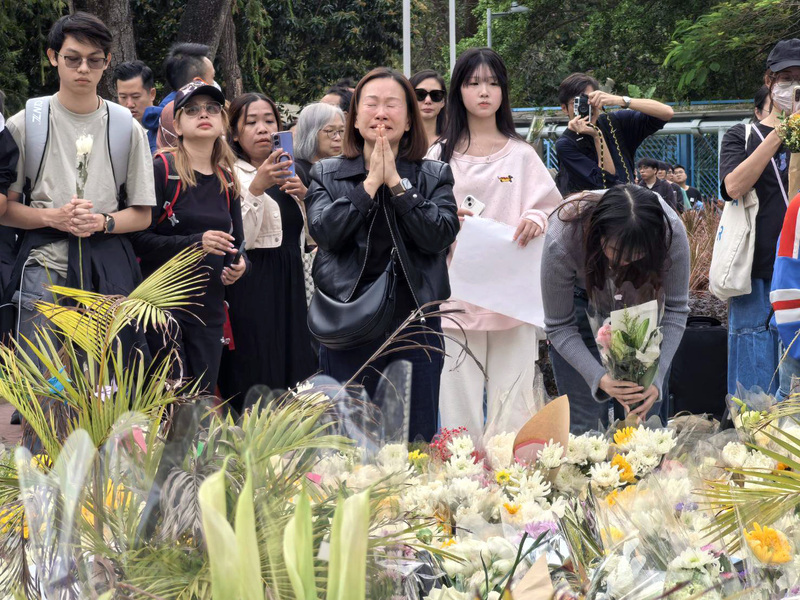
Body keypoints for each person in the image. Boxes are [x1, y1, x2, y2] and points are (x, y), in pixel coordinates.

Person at [306, 67, 459, 442]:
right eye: (371, 104)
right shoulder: (326, 172)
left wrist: (396, 184)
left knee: (416, 442)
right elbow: (325, 233)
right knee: (349, 442)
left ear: (408, 121)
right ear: (355, 119)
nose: (381, 113)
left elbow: (439, 235)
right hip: (347, 323)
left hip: (415, 325)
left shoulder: (434, 174)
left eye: (392, 104)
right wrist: (370, 183)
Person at [428, 48, 563, 439]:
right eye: (473, 83)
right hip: (455, 298)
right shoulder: (438, 154)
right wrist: (444, 221)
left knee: (515, 405)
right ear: (458, 91)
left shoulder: (522, 155)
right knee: (458, 407)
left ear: (504, 90)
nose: (484, 92)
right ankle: (461, 472)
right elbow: (422, 220)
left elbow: (553, 210)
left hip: (511, 299)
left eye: (492, 83)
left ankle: (514, 474)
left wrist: (536, 218)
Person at [1, 11, 154, 349]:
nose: (83, 68)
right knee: (42, 374)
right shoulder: (25, 124)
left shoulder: (126, 127)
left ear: (107, 62)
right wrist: (52, 217)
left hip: (107, 269)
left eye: (94, 60)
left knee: (107, 373)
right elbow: (6, 209)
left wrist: (102, 221)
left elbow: (143, 213)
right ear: (53, 57)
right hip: (43, 268)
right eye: (73, 58)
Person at [543, 185, 690, 433]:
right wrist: (598, 377)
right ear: (597, 233)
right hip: (581, 303)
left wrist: (657, 375)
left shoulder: (670, 231)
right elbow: (559, 325)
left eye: (637, 254)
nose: (624, 262)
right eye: (615, 251)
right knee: (586, 428)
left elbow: (676, 309)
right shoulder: (563, 236)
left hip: (642, 306)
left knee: (646, 426)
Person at [131, 79, 246, 394]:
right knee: (165, 402)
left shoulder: (227, 178)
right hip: (161, 308)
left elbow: (238, 244)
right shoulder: (162, 169)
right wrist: (197, 243)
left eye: (211, 108)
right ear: (177, 125)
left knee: (199, 403)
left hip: (208, 309)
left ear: (222, 122)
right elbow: (137, 239)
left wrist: (239, 266)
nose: (203, 114)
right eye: (192, 110)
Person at [217, 92, 316, 412]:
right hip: (252, 282)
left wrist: (307, 196)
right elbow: (239, 239)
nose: (262, 129)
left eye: (269, 120)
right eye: (251, 122)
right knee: (257, 368)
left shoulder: (294, 170)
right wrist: (257, 188)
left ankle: (294, 439)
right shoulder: (228, 173)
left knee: (295, 369)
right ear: (234, 133)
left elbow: (313, 239)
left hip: (291, 281)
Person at [720, 38, 799, 395]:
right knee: (753, 389)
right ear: (769, 81)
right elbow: (733, 186)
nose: (794, 86)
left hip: (796, 274)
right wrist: (783, 130)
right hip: (756, 276)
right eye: (787, 77)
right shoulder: (742, 135)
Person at [554, 72, 673, 194]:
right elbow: (606, 181)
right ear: (564, 108)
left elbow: (666, 113)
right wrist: (597, 136)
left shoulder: (615, 122)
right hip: (594, 204)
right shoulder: (566, 144)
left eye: (590, 100)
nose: (586, 107)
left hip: (629, 202)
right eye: (578, 102)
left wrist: (620, 100)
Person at [142, 43, 215, 153]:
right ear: (197, 82)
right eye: (212, 78)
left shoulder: (162, 116)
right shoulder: (169, 123)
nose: (214, 84)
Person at [293, 101, 346, 187]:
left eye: (341, 131)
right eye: (330, 131)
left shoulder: (345, 169)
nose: (338, 138)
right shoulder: (295, 172)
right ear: (310, 133)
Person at [409, 70, 447, 148]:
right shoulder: (397, 141)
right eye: (420, 94)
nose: (428, 100)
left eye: (435, 95)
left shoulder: (455, 144)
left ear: (443, 101)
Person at [113, 60, 156, 124]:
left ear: (152, 94)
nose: (130, 104)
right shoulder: (111, 126)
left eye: (135, 97)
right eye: (123, 97)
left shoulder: (167, 124)